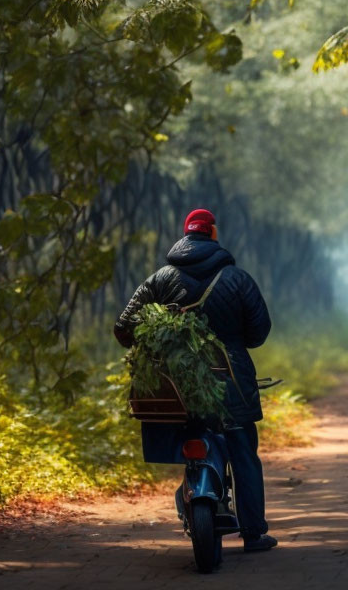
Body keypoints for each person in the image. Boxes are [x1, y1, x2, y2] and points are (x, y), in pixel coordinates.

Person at [114, 208, 277, 552]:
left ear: (185, 235)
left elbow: (123, 326)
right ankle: (253, 533)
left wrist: (153, 341)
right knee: (243, 451)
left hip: (176, 386)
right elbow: (259, 332)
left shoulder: (160, 279)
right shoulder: (238, 279)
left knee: (186, 432)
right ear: (213, 235)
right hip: (231, 382)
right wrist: (232, 339)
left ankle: (193, 494)